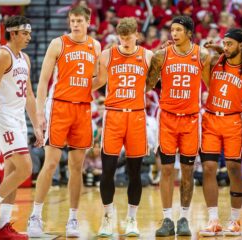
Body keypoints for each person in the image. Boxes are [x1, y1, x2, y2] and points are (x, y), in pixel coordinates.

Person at [27, 5, 101, 238]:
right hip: (59, 106)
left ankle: (73, 219)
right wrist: (40, 112)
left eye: (79, 20)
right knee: (50, 164)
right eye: (72, 20)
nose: (75, 24)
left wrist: (85, 88)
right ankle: (35, 216)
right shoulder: (58, 43)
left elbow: (97, 79)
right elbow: (43, 81)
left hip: (83, 109)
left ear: (88, 21)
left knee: (76, 167)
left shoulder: (95, 46)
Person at [0, 16, 43, 240]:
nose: (29, 37)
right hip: (3, 117)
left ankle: (3, 226)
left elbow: (29, 95)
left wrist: (37, 126)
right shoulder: (2, 55)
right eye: (25, 33)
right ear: (13, 33)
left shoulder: (26, 58)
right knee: (25, 168)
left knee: (12, 171)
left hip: (18, 117)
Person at [146, 15, 211, 237]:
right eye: (172, 30)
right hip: (168, 118)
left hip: (192, 119)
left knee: (187, 170)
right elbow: (148, 84)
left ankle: (184, 217)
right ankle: (166, 219)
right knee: (165, 170)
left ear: (189, 33)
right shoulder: (162, 55)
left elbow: (211, 84)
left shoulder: (202, 55)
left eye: (178, 30)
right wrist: (150, 58)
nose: (173, 34)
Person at [90, 17, 153, 237]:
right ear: (118, 36)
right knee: (107, 171)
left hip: (136, 117)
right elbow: (98, 82)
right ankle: (108, 217)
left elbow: (155, 80)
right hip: (113, 116)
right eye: (122, 37)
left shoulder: (147, 55)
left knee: (134, 173)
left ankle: (132, 219)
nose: (125, 41)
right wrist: (79, 84)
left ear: (137, 35)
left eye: (129, 37)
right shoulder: (107, 55)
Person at [198, 28, 242, 237]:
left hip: (233, 120)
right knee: (208, 168)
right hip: (211, 118)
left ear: (241, 45)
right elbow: (200, 58)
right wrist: (215, 48)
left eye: (230, 44)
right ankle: (213, 220)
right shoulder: (215, 62)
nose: (225, 47)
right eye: (224, 43)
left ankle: (234, 220)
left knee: (233, 167)